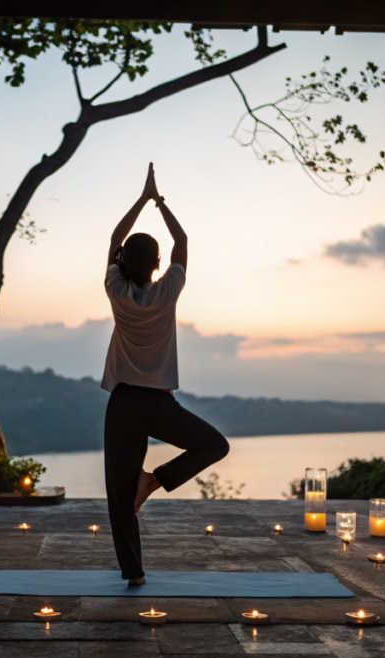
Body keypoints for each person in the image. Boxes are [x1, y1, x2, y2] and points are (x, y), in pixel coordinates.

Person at [102, 163, 230, 586]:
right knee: (214, 445)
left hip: (123, 403)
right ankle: (155, 481)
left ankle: (133, 573)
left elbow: (115, 240)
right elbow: (182, 241)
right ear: (157, 263)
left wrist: (140, 200)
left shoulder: (116, 291)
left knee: (121, 495)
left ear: (122, 263)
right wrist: (160, 202)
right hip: (157, 404)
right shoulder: (167, 290)